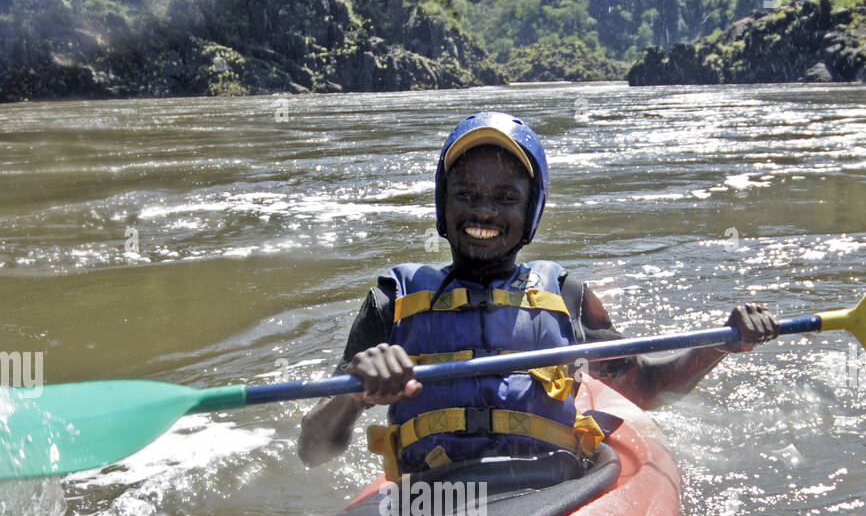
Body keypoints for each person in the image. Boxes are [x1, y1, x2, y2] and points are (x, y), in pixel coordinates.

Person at [298, 112, 778, 477]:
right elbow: (313, 449)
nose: (483, 211)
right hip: (432, 497)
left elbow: (647, 388)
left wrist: (722, 343)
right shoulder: (392, 298)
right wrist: (355, 395)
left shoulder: (567, 295)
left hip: (548, 491)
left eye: (506, 198)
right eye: (465, 194)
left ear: (531, 211)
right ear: (443, 205)